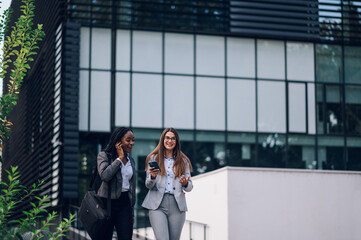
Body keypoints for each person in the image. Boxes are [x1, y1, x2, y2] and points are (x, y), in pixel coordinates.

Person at [142, 127, 193, 240]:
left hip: (177, 206)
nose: (170, 141)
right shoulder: (153, 158)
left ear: (176, 141)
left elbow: (190, 187)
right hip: (157, 205)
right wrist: (153, 177)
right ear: (163, 140)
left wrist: (185, 184)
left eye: (173, 138)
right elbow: (148, 185)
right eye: (167, 138)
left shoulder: (183, 161)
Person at [97, 127, 136, 240]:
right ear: (118, 142)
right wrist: (119, 159)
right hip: (107, 203)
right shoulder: (104, 156)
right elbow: (105, 176)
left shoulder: (131, 161)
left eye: (133, 140)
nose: (131, 143)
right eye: (128, 140)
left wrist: (131, 212)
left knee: (126, 237)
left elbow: (131, 188)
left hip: (125, 205)